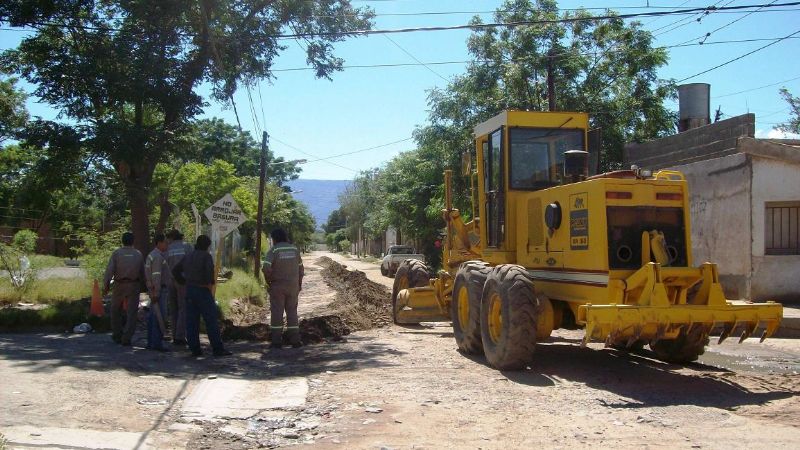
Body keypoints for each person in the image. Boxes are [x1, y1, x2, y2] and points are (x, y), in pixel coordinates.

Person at [174, 235, 231, 357]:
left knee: (191, 321)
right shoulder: (206, 256)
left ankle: (195, 349)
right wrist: (209, 283)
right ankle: (217, 348)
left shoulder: (188, 256)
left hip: (189, 290)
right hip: (203, 291)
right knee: (210, 321)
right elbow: (209, 273)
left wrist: (183, 281)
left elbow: (175, 270)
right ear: (207, 246)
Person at [262, 228, 304, 349]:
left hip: (277, 286)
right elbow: (301, 269)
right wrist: (299, 284)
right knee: (292, 312)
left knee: (277, 312)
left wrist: (268, 281)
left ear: (274, 238)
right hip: (293, 286)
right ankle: (295, 340)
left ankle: (276, 341)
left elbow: (266, 268)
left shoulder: (274, 250)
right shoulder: (295, 249)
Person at [103, 232, 145, 346]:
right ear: (133, 241)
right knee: (132, 312)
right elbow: (143, 272)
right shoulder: (138, 254)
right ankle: (127, 337)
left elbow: (109, 270)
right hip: (133, 284)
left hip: (119, 284)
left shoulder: (117, 253)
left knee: (115, 310)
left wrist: (106, 285)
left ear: (122, 241)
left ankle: (117, 334)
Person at [165, 229, 193, 346]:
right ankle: (180, 336)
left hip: (170, 281)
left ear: (171, 238)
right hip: (182, 281)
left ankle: (174, 334)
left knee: (173, 308)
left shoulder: (168, 249)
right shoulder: (187, 247)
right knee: (183, 308)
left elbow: (164, 265)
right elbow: (192, 262)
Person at [144, 233, 170, 352]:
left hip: (153, 290)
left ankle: (151, 342)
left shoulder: (152, 255)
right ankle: (157, 343)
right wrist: (156, 293)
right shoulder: (158, 257)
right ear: (159, 243)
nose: (167, 244)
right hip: (159, 291)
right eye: (165, 242)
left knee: (153, 317)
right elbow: (156, 276)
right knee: (159, 317)